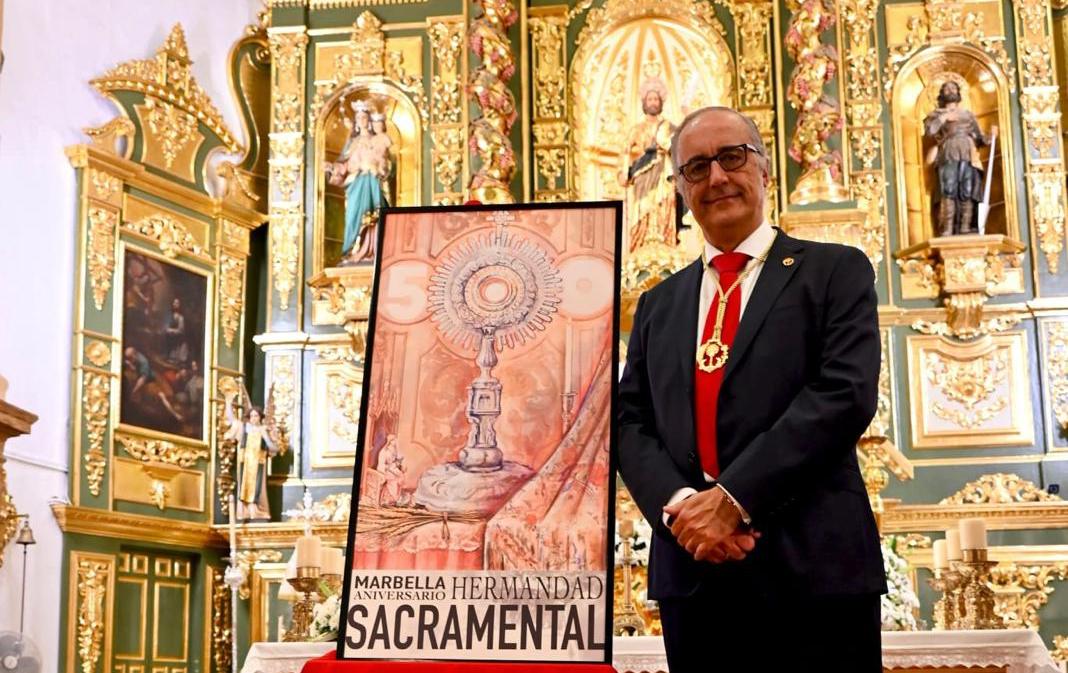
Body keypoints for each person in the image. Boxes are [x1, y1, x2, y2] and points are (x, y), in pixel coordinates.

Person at [616, 106, 884, 672]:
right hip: (694, 574)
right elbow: (627, 421)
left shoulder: (834, 271)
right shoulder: (658, 306)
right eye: (695, 168)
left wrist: (732, 500)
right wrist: (684, 509)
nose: (716, 177)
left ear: (764, 169)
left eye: (732, 157)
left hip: (812, 569)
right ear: (679, 190)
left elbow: (843, 394)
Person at [924, 80, 997, 237]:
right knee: (948, 190)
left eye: (953, 88)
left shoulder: (968, 115)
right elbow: (929, 131)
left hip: (968, 154)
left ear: (958, 93)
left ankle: (966, 227)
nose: (950, 90)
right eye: (946, 88)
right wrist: (944, 118)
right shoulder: (936, 114)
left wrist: (990, 136)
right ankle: (947, 229)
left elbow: (979, 138)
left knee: (968, 190)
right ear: (942, 94)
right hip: (948, 153)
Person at [326, 101, 391, 264]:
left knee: (376, 213)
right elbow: (344, 164)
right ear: (356, 121)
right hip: (358, 183)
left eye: (364, 117)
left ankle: (376, 249)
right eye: (359, 117)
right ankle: (352, 249)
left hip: (373, 181)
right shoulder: (353, 143)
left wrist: (381, 168)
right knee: (354, 214)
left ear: (369, 120)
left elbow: (388, 163)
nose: (362, 120)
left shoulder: (378, 140)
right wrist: (332, 167)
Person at [620, 74, 679, 252]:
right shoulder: (636, 130)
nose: (653, 102)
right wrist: (623, 172)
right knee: (643, 210)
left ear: (661, 102)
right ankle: (640, 244)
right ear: (644, 103)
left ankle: (666, 241)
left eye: (656, 98)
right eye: (650, 99)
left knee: (664, 205)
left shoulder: (670, 127)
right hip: (642, 180)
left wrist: (666, 147)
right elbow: (626, 154)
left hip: (664, 176)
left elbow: (678, 150)